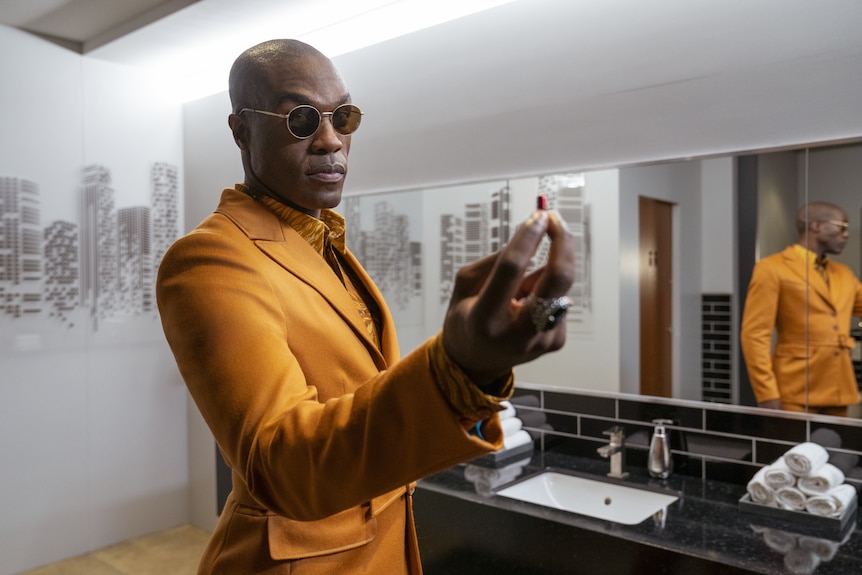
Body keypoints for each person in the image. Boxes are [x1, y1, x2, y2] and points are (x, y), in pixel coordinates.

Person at [156, 39, 575, 574]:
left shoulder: (325, 246)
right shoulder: (210, 258)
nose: (331, 141)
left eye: (343, 117)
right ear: (241, 130)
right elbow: (279, 464)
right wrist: (458, 368)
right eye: (301, 119)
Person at [741, 201, 862, 416]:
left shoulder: (844, 274)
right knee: (792, 450)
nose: (846, 234)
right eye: (841, 227)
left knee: (836, 449)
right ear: (816, 226)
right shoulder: (772, 268)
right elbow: (755, 336)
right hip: (794, 391)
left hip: (838, 390)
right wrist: (767, 394)